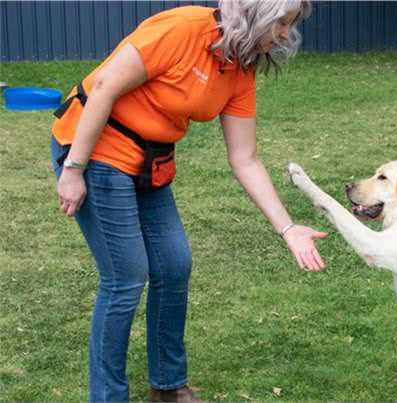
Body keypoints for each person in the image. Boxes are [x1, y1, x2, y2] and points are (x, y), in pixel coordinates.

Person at [50, 1, 326, 402]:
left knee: (174, 265)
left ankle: (167, 388)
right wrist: (73, 168)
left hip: (149, 160)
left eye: (290, 24)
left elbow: (245, 158)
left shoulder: (240, 68)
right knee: (126, 277)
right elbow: (106, 86)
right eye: (282, 22)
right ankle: (108, 397)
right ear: (257, 14)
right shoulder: (183, 29)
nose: (285, 34)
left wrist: (288, 228)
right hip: (95, 149)